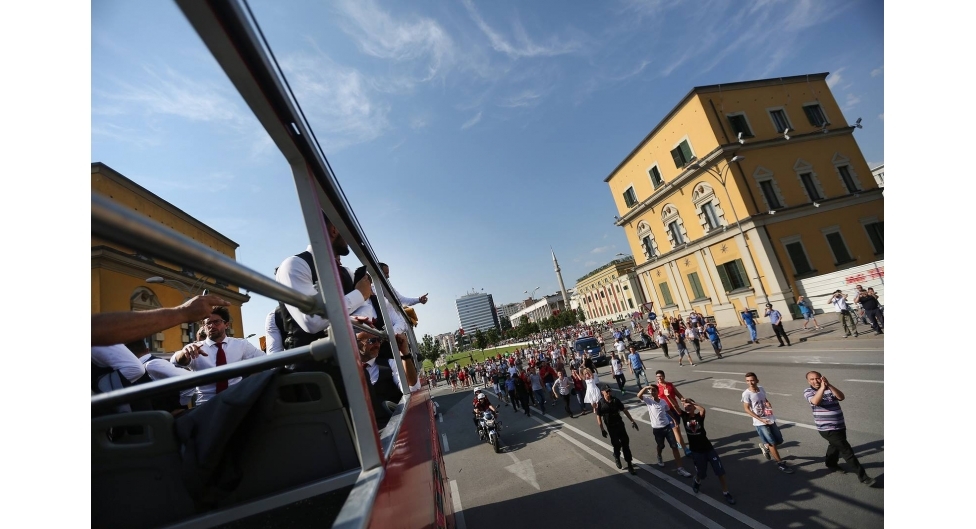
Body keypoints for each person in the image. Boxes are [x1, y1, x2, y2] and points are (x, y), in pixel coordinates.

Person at [170, 307, 267, 405]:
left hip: (236, 402)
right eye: (208, 323)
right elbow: (175, 361)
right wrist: (184, 353)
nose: (212, 326)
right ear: (203, 327)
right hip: (206, 404)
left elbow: (266, 361)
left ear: (226, 325)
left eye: (216, 322)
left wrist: (250, 384)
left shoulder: (241, 344)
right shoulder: (195, 348)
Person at [803, 371, 876, 486]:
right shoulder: (808, 391)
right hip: (826, 428)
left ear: (822, 378)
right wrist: (822, 388)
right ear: (808, 381)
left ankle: (830, 463)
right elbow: (815, 401)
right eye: (812, 379)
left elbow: (841, 397)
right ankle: (863, 477)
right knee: (846, 451)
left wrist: (829, 385)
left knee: (834, 445)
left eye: (817, 378)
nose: (815, 381)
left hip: (840, 424)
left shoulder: (829, 388)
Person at [679, 398, 736, 504]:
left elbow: (702, 410)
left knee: (719, 471)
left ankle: (726, 492)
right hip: (696, 451)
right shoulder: (684, 417)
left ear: (694, 407)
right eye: (685, 406)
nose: (687, 408)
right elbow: (675, 407)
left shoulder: (699, 417)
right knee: (701, 474)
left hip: (708, 449)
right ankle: (697, 481)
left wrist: (693, 403)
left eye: (689, 406)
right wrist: (668, 396)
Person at [741, 372, 794, 474]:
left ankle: (765, 446)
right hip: (760, 422)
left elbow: (764, 399)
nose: (750, 383)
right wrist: (761, 420)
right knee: (772, 443)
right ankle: (780, 463)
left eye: (752, 380)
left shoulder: (761, 389)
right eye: (748, 381)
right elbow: (746, 409)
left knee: (779, 440)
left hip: (769, 418)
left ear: (757, 380)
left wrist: (767, 402)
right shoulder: (746, 394)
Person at [637, 384, 693, 478]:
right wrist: (646, 388)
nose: (653, 392)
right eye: (651, 391)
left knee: (674, 446)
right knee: (661, 446)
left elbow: (668, 411)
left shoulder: (663, 401)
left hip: (667, 427)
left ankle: (680, 468)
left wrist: (674, 419)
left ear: (658, 392)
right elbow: (639, 395)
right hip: (657, 429)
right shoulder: (649, 401)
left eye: (654, 390)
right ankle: (659, 456)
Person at [595, 384, 640, 475]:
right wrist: (602, 429)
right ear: (602, 392)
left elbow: (624, 410)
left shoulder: (616, 400)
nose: (609, 392)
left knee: (625, 444)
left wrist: (632, 421)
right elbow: (598, 416)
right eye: (607, 391)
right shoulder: (600, 403)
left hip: (619, 425)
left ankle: (629, 464)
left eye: (609, 390)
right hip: (611, 427)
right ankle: (616, 456)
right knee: (616, 444)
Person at [654, 370, 689, 454]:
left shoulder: (670, 385)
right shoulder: (656, 388)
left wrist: (683, 400)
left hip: (675, 409)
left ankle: (677, 441)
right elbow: (654, 400)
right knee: (676, 428)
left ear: (664, 376)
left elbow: (678, 394)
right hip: (666, 412)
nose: (659, 378)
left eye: (661, 376)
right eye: (657, 376)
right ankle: (685, 449)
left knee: (677, 427)